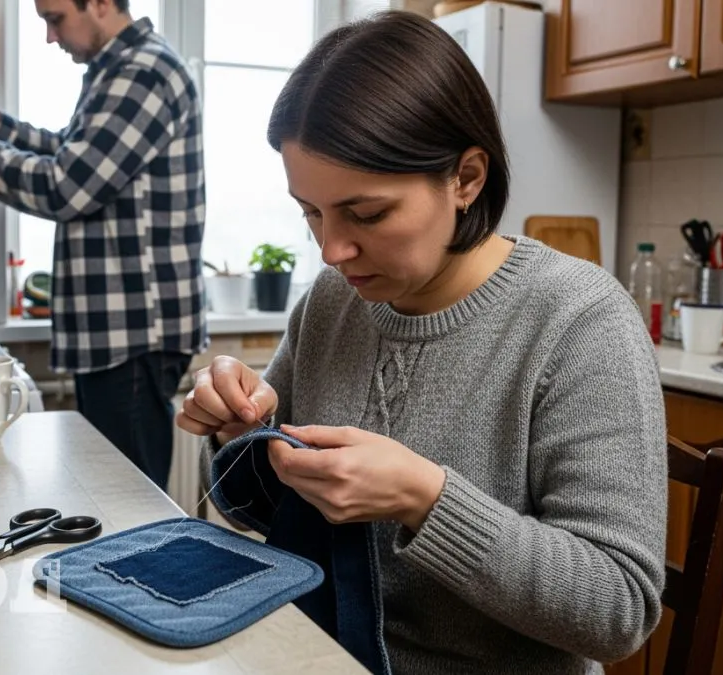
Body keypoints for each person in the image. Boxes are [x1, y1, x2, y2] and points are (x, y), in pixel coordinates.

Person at [178, 11, 667, 675]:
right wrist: (240, 432)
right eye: (310, 212)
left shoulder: (580, 321)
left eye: (367, 213)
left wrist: (425, 499)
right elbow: (264, 510)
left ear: (466, 178)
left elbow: (617, 610)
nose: (331, 249)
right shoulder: (331, 301)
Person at [0, 0, 207, 490]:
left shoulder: (143, 72)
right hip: (119, 333)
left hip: (132, 333)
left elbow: (67, 185)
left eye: (54, 18)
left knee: (129, 502)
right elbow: (72, 151)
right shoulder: (118, 69)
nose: (51, 37)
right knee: (117, 498)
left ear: (98, 3)